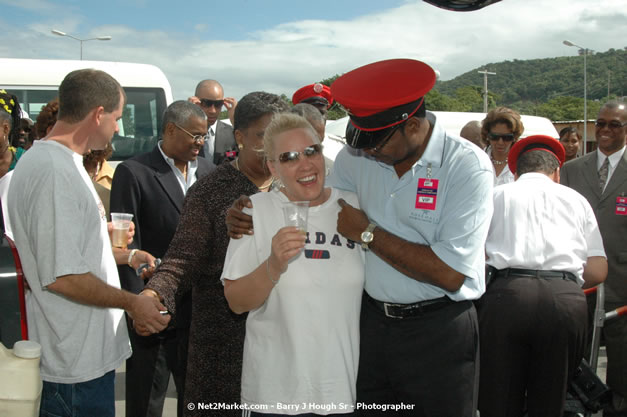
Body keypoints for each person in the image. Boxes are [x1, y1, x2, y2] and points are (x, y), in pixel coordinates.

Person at [226, 59, 494, 417]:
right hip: (371, 332)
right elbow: (308, 188)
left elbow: (451, 273)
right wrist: (249, 210)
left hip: (437, 330)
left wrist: (368, 234)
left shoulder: (466, 168)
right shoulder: (358, 158)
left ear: (412, 126)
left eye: (378, 143)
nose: (368, 151)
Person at [7, 68, 169, 417]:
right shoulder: (54, 170)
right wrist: (132, 302)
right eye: (116, 117)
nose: (117, 127)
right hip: (73, 367)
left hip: (79, 360)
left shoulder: (63, 162)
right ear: (98, 114)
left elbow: (64, 251)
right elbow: (61, 276)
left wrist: (125, 256)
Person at [141, 92, 288, 416]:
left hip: (287, 344)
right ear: (240, 137)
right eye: (264, 136)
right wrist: (155, 294)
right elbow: (182, 258)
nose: (275, 147)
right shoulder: (209, 191)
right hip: (223, 347)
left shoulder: (296, 189)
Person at [222, 112, 364, 415]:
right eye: (289, 157)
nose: (305, 164)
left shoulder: (354, 207)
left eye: (312, 151)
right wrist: (273, 264)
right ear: (273, 166)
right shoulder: (254, 211)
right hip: (275, 395)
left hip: (338, 391)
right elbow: (235, 302)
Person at [479, 135, 607, 417]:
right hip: (564, 301)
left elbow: (473, 253)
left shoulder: (495, 196)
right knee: (551, 398)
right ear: (557, 172)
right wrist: (562, 278)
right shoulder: (578, 200)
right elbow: (598, 270)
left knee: (497, 395)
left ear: (515, 172)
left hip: (506, 297)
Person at [110, 100, 215, 417]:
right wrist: (136, 306)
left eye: (204, 136)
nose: (200, 143)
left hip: (200, 311)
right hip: (154, 309)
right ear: (171, 130)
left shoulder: (210, 173)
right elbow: (125, 246)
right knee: (146, 401)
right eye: (195, 136)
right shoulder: (134, 172)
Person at [561, 101, 627, 417]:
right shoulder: (572, 170)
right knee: (574, 360)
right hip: (578, 283)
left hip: (622, 284)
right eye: (601, 124)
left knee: (622, 367)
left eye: (614, 124)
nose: (605, 130)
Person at [189, 79, 238, 165]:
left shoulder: (232, 134)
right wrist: (187, 117)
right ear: (196, 102)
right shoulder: (185, 132)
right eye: (207, 103)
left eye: (218, 104)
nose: (213, 111)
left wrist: (237, 121)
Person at [481, 106, 524, 185]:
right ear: (487, 135)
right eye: (495, 137)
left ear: (514, 137)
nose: (500, 142)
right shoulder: (478, 160)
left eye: (507, 137)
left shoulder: (523, 163)